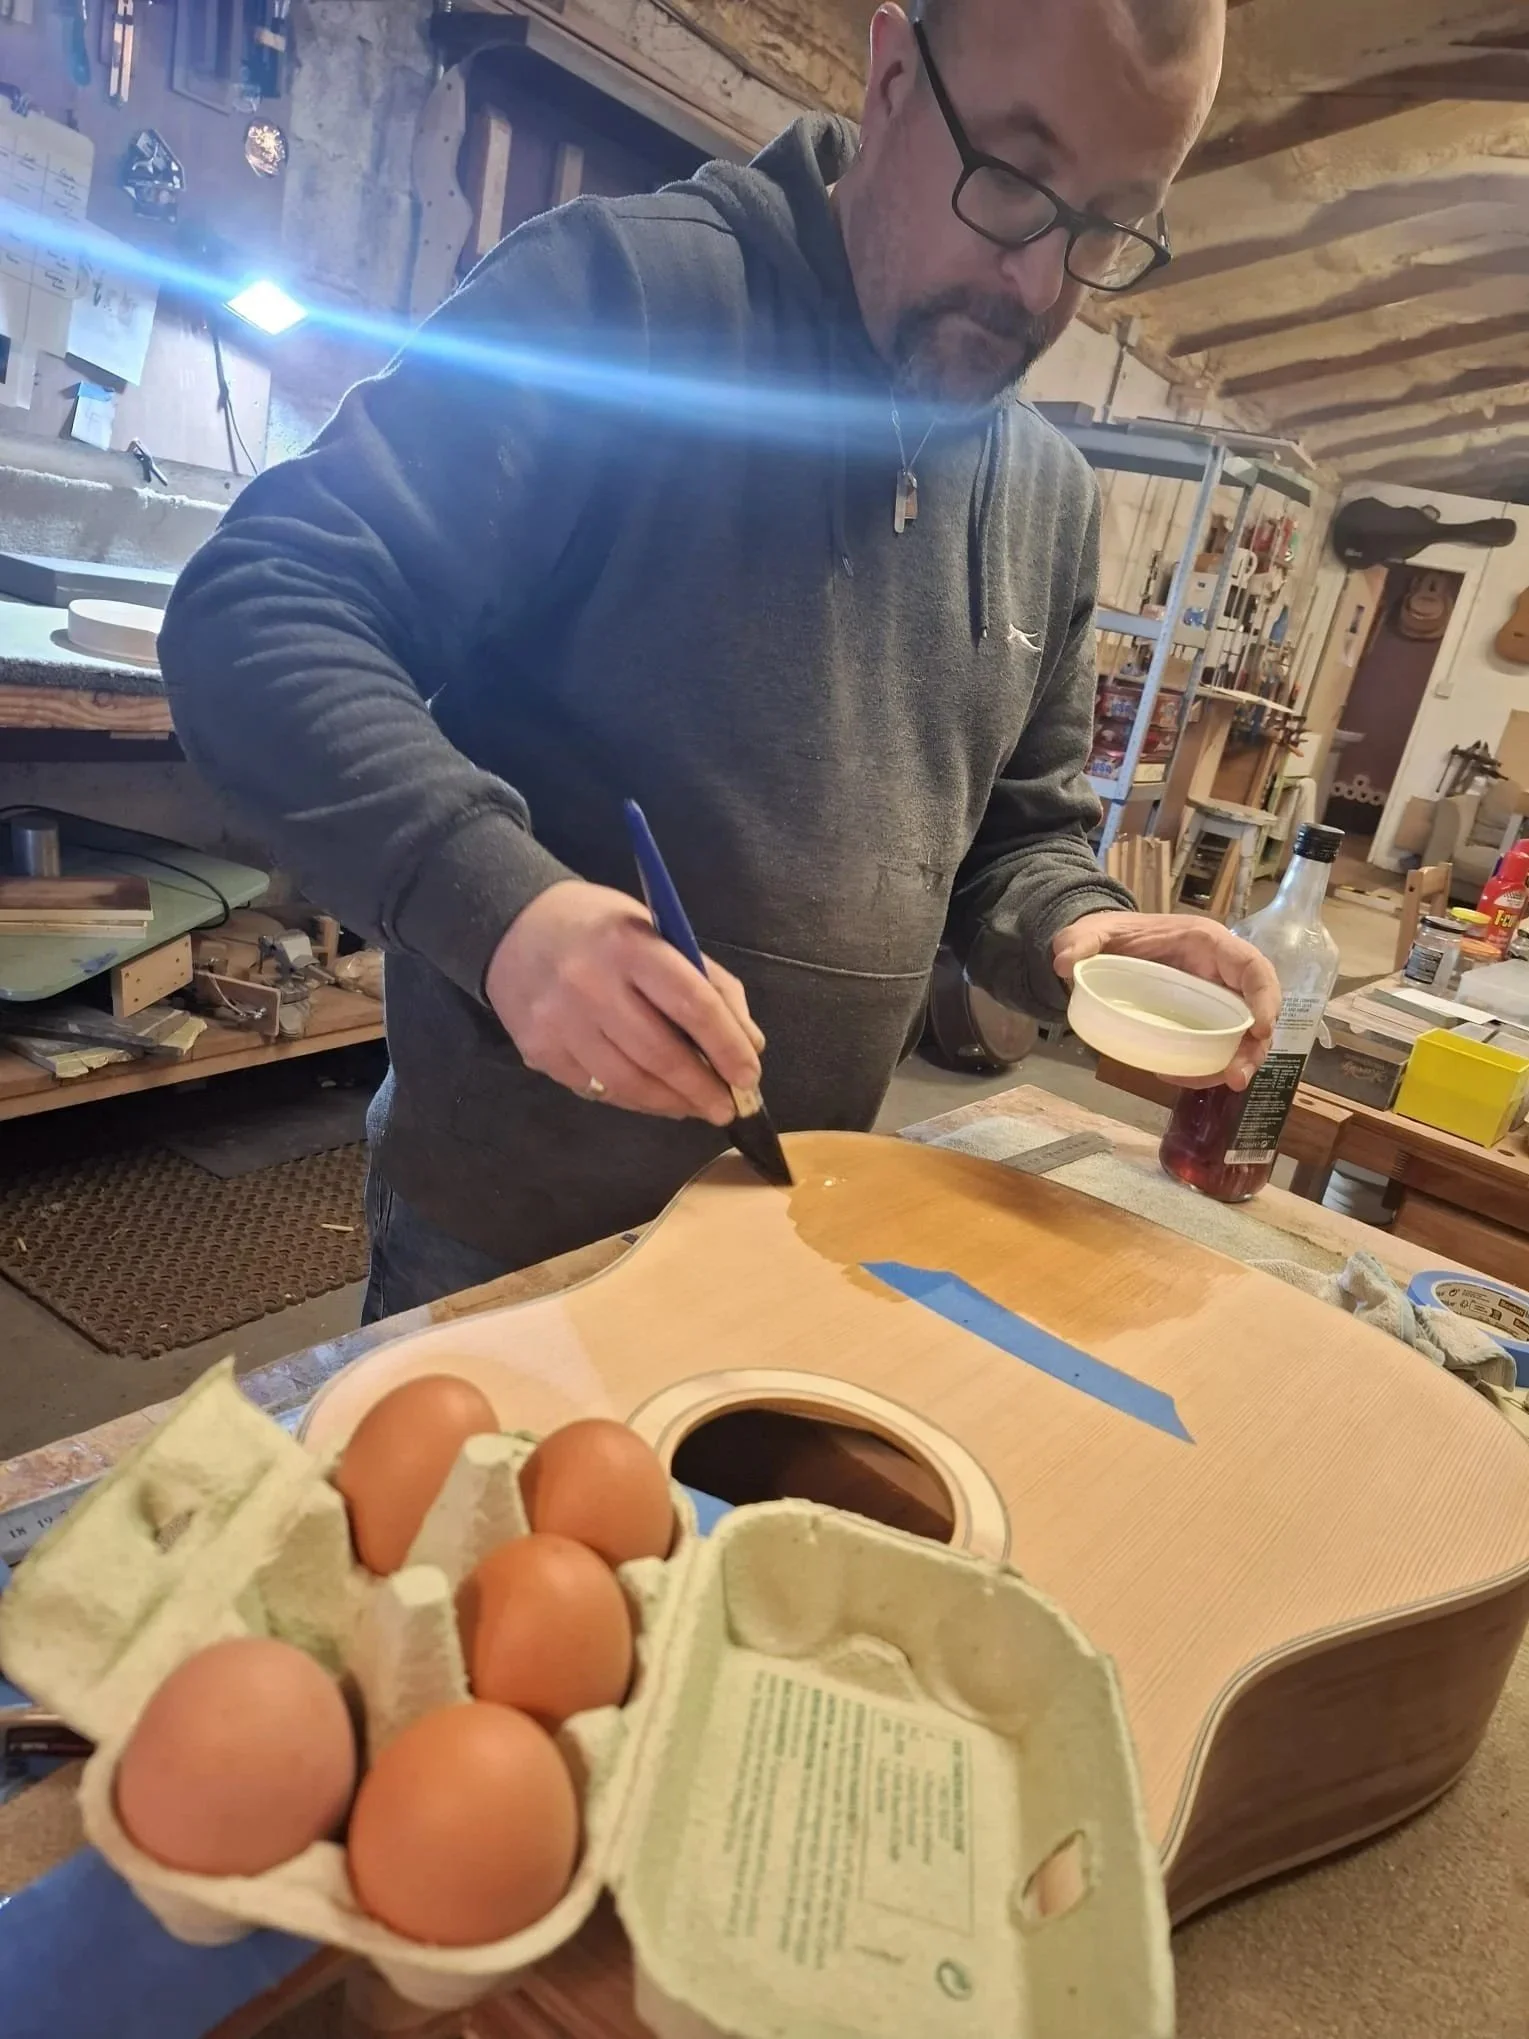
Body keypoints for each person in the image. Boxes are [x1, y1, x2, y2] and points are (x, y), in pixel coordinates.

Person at [160, 0, 1276, 1318]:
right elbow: (262, 604)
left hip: (785, 1230)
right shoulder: (618, 304)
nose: (1041, 287)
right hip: (513, 1245)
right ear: (896, 80)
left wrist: (1087, 929)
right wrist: (504, 908)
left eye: (1105, 229)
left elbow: (1015, 843)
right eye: (1016, 185)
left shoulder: (1047, 498)